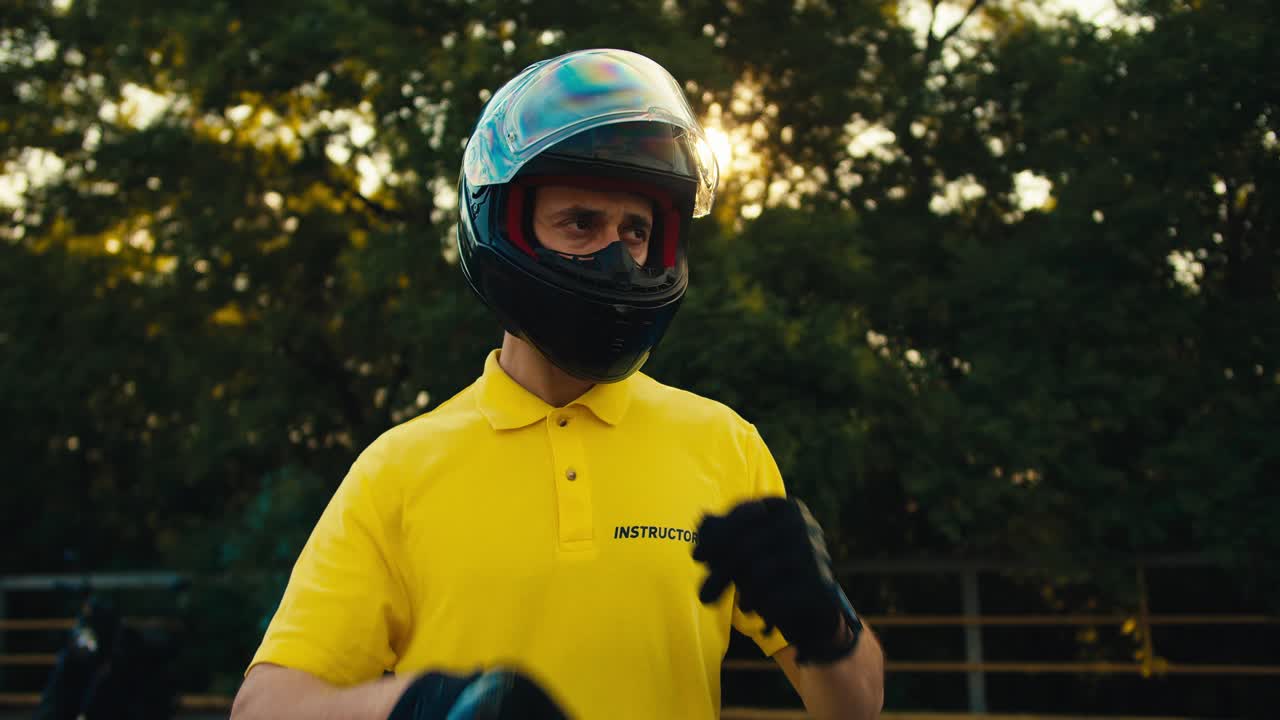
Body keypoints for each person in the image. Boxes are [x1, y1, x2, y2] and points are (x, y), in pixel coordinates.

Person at [230, 48, 883, 720]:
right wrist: (426, 708)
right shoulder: (399, 468)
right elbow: (265, 706)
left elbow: (857, 709)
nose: (616, 257)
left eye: (636, 231)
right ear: (504, 224)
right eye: (581, 223)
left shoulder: (724, 445)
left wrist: (827, 628)